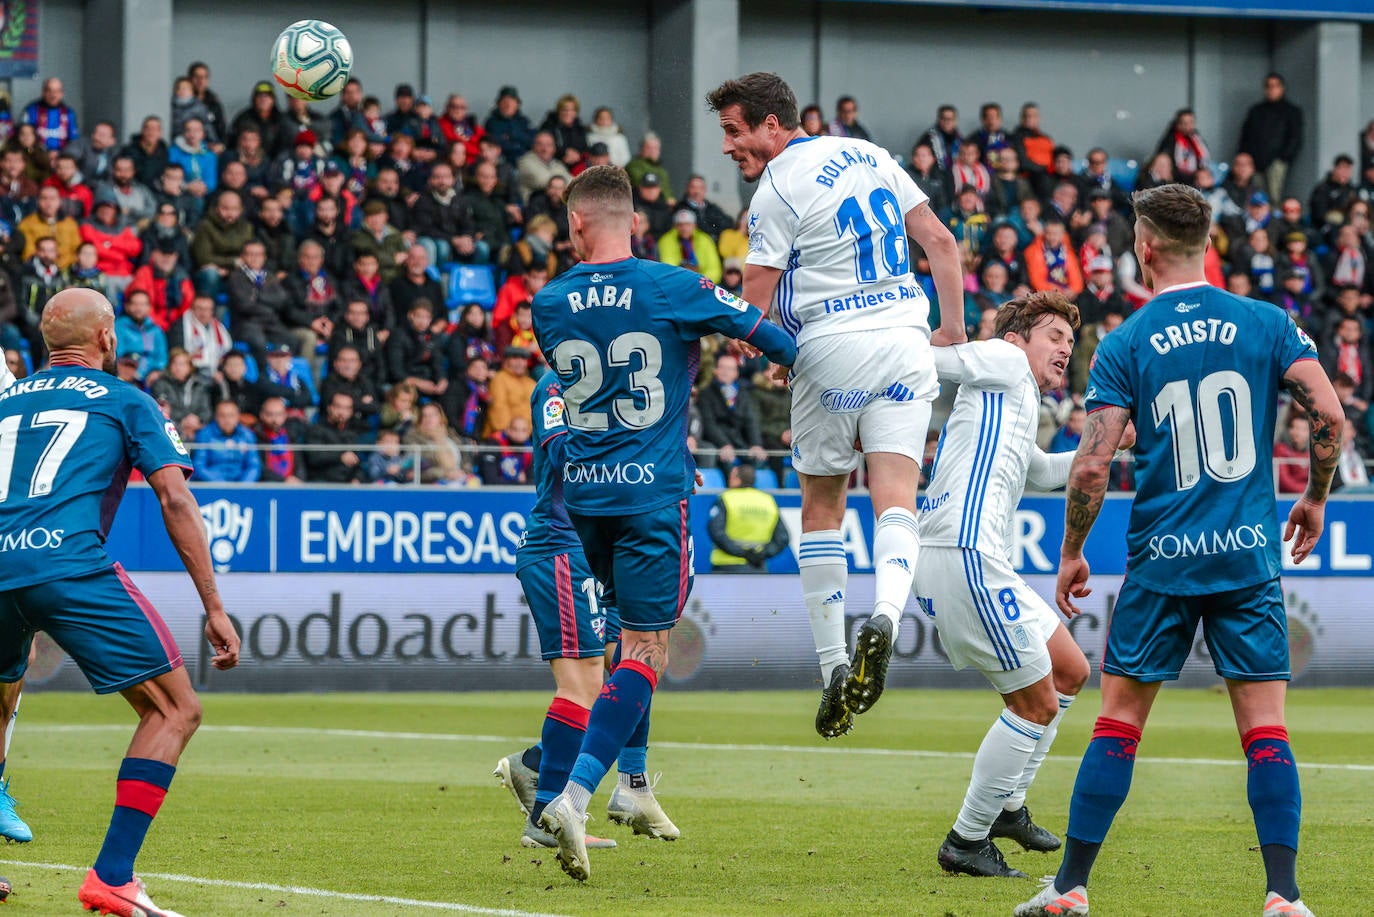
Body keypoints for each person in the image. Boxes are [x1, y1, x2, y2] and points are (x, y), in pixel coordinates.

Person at [1015, 184, 1342, 917]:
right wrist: (1315, 495)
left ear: (1147, 247)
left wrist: (1072, 548)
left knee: (1118, 721)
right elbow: (1327, 413)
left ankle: (1069, 887)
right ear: (1208, 245)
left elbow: (1094, 463)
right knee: (1265, 729)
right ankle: (1284, 896)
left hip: (1162, 562)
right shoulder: (1266, 321)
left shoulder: (1128, 341)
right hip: (1246, 556)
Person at [531, 165, 795, 882]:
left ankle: (634, 783)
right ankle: (575, 795)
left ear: (577, 224)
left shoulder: (547, 302)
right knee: (649, 650)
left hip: (585, 503)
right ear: (634, 222)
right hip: (653, 497)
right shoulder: (672, 285)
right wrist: (790, 368)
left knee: (623, 641)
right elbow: (761, 331)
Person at [709, 72, 965, 736]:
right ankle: (885, 612)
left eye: (734, 132)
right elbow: (940, 243)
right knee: (897, 495)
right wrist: (951, 333)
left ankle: (831, 670)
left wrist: (747, 343)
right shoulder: (872, 155)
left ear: (773, 124)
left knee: (823, 500)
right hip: (906, 339)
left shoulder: (774, 191)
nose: (729, 147)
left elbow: (752, 314)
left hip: (829, 346)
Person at [0, 287, 238, 914]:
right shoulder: (127, 399)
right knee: (174, 710)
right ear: (107, 339)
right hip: (66, 563)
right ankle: (112, 875)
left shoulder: (3, 401)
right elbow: (175, 500)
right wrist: (213, 606)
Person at [914, 291, 1100, 879]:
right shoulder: (1003, 360)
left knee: (1069, 670)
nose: (1065, 349)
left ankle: (1008, 807)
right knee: (1036, 702)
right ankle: (966, 839)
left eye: (1070, 342)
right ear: (1017, 339)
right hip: (963, 552)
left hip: (978, 556)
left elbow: (1041, 472)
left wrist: (1103, 445)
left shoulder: (1013, 396)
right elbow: (933, 362)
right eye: (1053, 337)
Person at [494, 374, 675, 850]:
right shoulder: (558, 385)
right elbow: (559, 449)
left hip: (603, 546)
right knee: (585, 682)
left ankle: (543, 765)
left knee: (630, 661)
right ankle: (546, 814)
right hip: (560, 546)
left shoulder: (617, 379)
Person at [708, 464, 789, 572]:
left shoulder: (727, 498)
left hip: (727, 566)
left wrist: (743, 553)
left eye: (731, 476)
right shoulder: (768, 500)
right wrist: (762, 554)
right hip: (758, 566)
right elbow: (782, 537)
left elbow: (716, 532)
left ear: (737, 480)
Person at [1238, 73, 1304, 205]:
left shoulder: (1291, 111)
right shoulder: (1256, 111)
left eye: (1275, 86)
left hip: (1276, 163)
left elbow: (1295, 137)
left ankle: (1274, 225)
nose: (1272, 89)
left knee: (1274, 198)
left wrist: (1283, 158)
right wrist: (1246, 157)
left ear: (1282, 88)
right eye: (1268, 86)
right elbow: (1245, 135)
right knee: (1255, 198)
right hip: (1255, 163)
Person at [192, 399, 261, 483]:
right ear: (216, 417)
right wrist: (222, 486)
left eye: (231, 415)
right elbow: (199, 466)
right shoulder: (204, 435)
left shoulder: (247, 435)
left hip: (241, 485)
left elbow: (254, 466)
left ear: (238, 416)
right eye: (222, 416)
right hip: (212, 486)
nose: (227, 420)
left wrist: (244, 486)